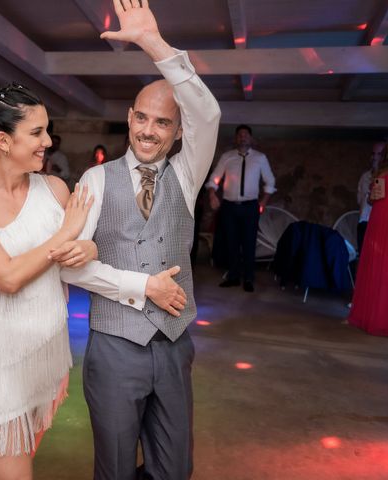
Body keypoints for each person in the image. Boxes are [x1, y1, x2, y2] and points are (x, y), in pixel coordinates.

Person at [60, 1, 221, 478]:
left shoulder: (187, 174)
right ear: (130, 118)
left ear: (176, 133)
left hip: (173, 345)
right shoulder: (94, 179)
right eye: (143, 119)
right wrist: (142, 285)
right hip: (114, 348)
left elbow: (207, 114)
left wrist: (154, 44)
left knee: (174, 469)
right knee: (114, 468)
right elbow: (70, 263)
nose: (150, 131)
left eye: (164, 123)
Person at [0, 84, 97, 479]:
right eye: (37, 133)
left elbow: (75, 259)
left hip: (43, 357)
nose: (48, 141)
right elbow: (6, 277)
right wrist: (68, 233)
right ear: (3, 141)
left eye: (47, 130)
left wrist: (89, 247)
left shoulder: (55, 189)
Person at [206, 124, 276, 292]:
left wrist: (264, 201)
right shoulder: (227, 157)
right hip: (229, 206)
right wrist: (212, 194)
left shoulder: (260, 158)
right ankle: (233, 277)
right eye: (240, 135)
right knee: (231, 242)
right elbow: (214, 178)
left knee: (249, 242)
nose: (243, 137)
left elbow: (270, 181)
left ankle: (249, 278)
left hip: (250, 206)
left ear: (250, 139)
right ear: (236, 139)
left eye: (246, 135)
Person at [349, 131, 388, 338]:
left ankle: (383, 320)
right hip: (377, 218)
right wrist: (373, 196)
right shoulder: (382, 170)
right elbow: (372, 201)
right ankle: (366, 316)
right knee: (373, 265)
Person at [356, 141, 385, 254]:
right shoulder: (364, 177)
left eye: (379, 154)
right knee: (364, 257)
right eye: (373, 154)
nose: (374, 157)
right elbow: (360, 200)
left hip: (380, 225)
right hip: (363, 223)